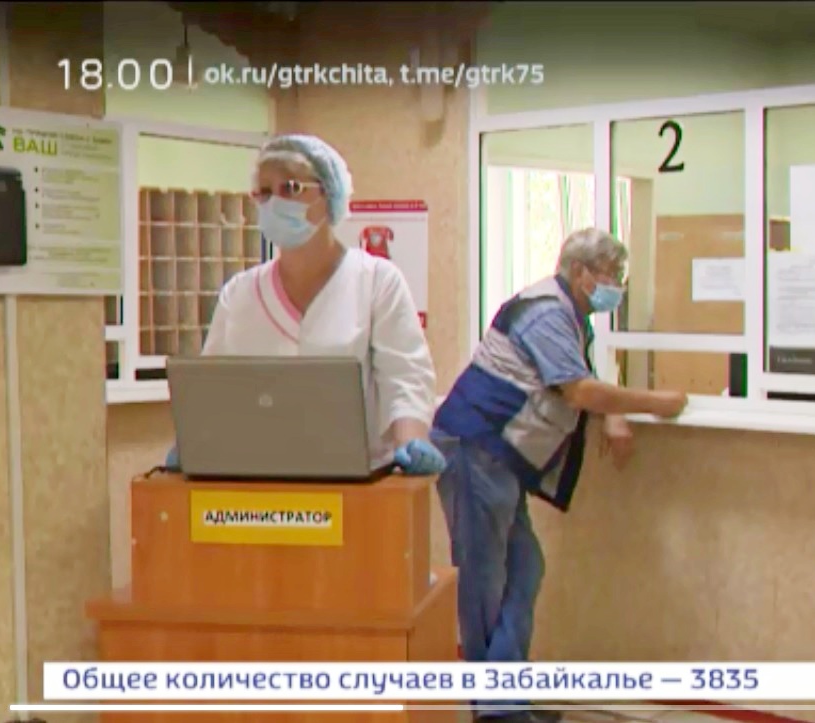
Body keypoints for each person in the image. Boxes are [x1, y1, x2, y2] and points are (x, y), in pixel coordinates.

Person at [431, 228, 689, 723]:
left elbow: (581, 378)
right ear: (579, 272)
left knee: (524, 569)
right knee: (485, 584)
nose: (617, 286)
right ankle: (497, 709)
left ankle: (505, 699)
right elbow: (579, 391)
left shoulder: (569, 315)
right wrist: (657, 403)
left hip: (498, 457)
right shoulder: (547, 312)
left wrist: (614, 413)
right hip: (474, 448)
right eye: (610, 275)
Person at [164, 134, 444, 477]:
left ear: (329, 195)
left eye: (290, 188)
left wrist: (411, 441)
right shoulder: (240, 294)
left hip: (359, 481)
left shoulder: (376, 281)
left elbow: (404, 377)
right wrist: (194, 442)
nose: (274, 203)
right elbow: (213, 388)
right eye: (264, 193)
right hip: (258, 476)